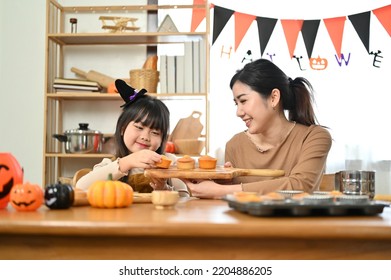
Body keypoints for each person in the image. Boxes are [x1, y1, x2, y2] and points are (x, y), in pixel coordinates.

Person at [185, 58, 332, 199]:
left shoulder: (314, 137)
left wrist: (222, 191)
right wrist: (224, 184)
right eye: (236, 103)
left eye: (243, 101)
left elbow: (300, 186)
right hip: (245, 225)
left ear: (274, 98)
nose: (238, 112)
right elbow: (235, 202)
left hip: (297, 225)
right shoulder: (235, 145)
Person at [76, 79, 176, 193]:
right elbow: (81, 187)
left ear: (162, 139)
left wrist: (164, 188)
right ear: (123, 128)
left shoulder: (171, 162)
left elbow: (186, 199)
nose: (145, 137)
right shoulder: (109, 164)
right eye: (139, 127)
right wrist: (127, 162)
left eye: (155, 133)